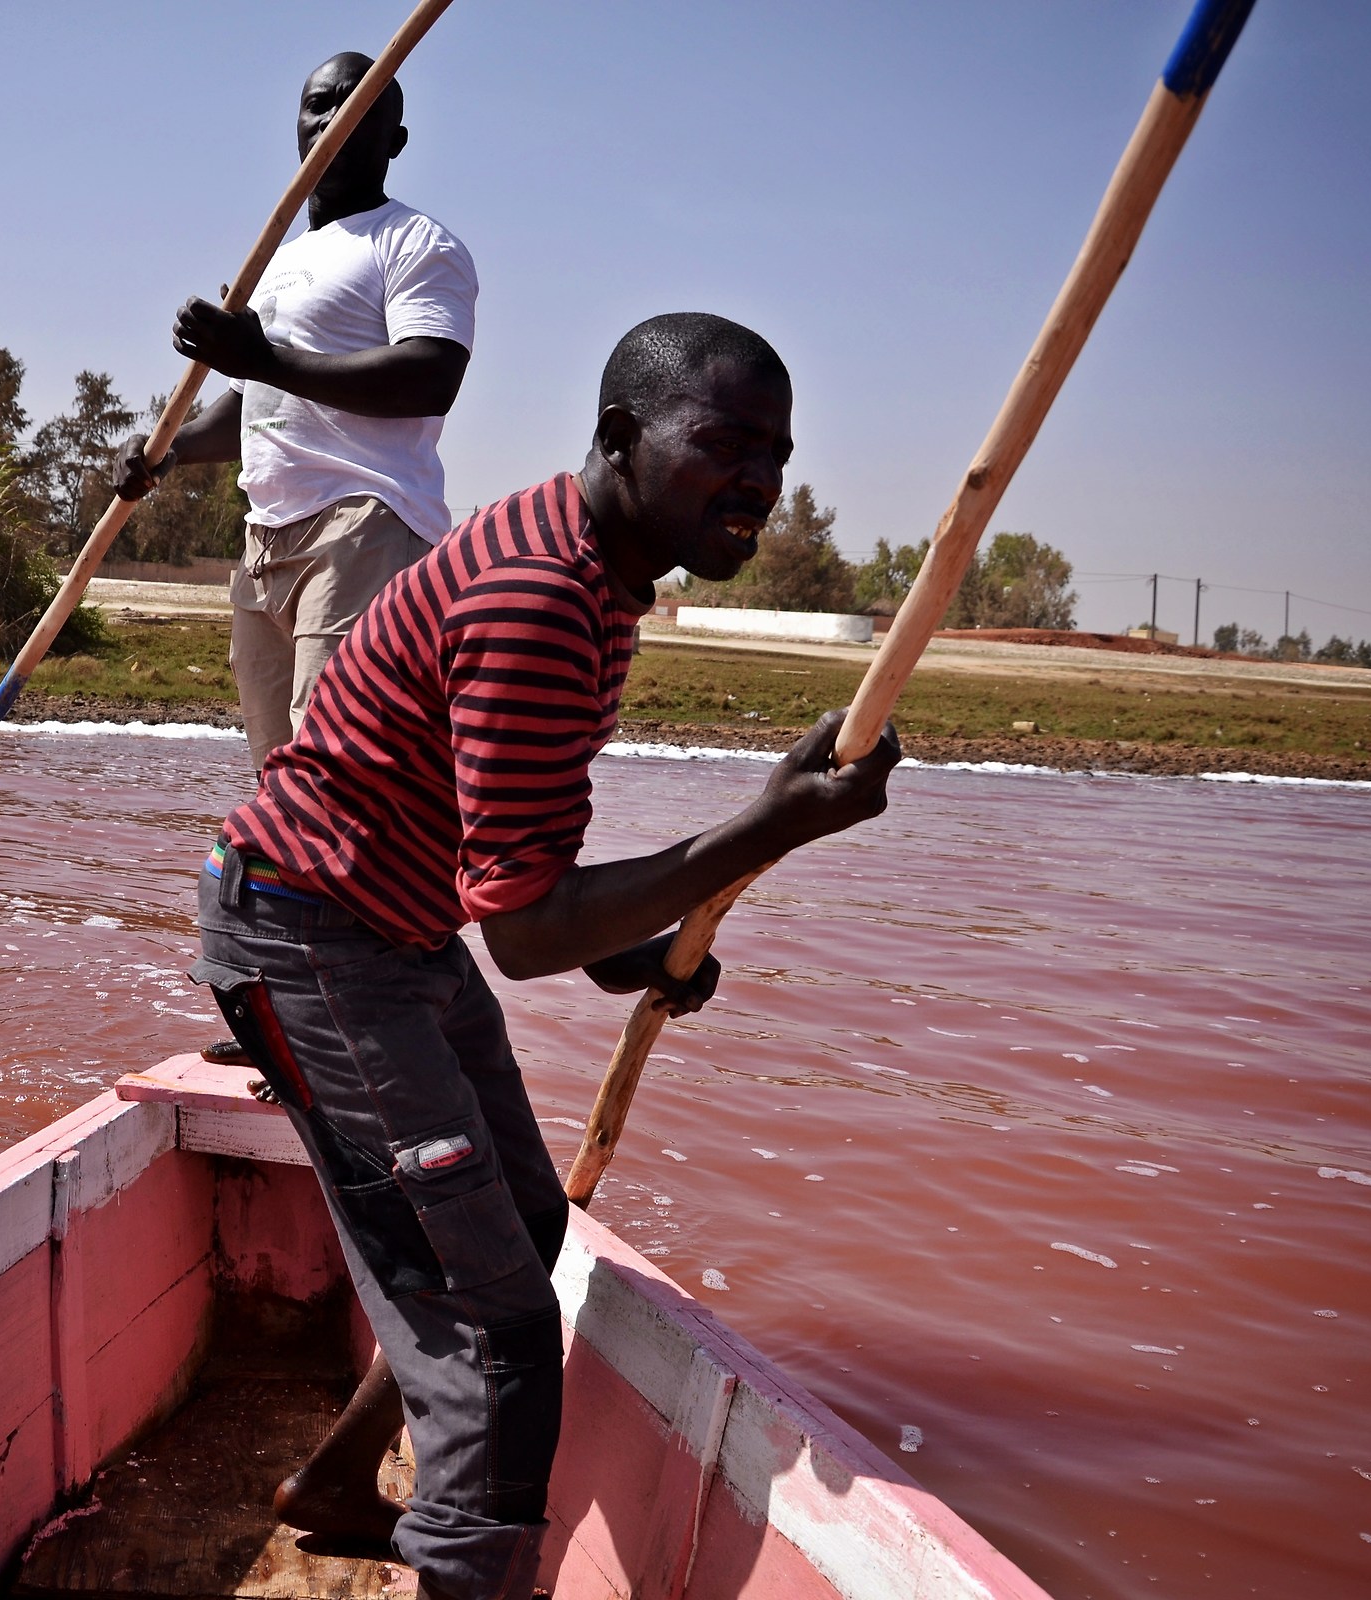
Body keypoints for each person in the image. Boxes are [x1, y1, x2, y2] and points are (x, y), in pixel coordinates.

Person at [192, 313, 901, 1599]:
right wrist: (761, 826)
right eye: (725, 445)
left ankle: (342, 1478)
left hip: (392, 925)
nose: (758, 483)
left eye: (777, 458)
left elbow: (521, 878)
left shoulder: (599, 574)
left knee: (512, 1224)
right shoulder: (543, 599)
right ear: (624, 439)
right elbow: (523, 932)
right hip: (312, 931)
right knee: (492, 1321)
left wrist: (636, 954)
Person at [115, 49, 476, 771]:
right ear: (297, 126)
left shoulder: (414, 243)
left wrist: (262, 358)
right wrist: (168, 448)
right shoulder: (278, 262)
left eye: (357, 108)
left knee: (337, 771)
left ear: (394, 141)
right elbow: (257, 403)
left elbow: (430, 376)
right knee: (276, 777)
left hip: (362, 531)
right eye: (319, 106)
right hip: (265, 543)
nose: (332, 121)